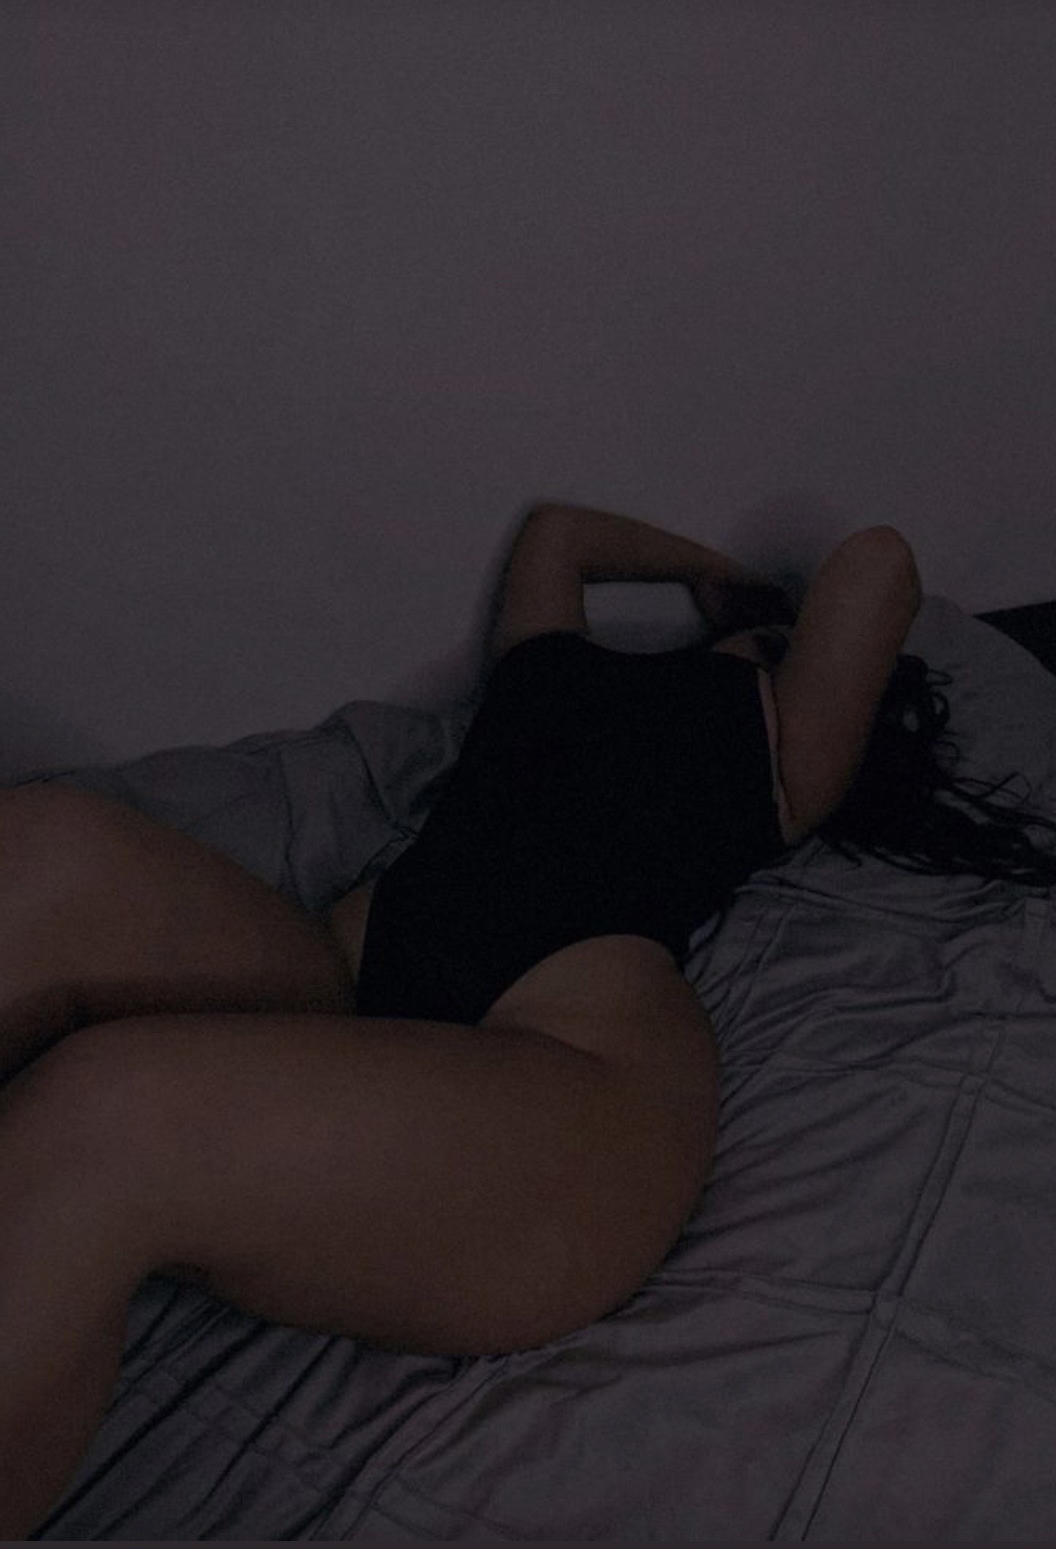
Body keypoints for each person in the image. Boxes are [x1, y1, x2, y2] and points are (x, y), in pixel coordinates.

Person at [0, 502, 1051, 1537]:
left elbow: (878, 562)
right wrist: (714, 574)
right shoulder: (554, 661)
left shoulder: (789, 752)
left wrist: (771, 619)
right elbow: (560, 534)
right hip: (339, 984)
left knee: (112, 1108)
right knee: (47, 846)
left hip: (568, 1070)